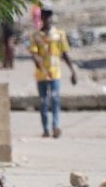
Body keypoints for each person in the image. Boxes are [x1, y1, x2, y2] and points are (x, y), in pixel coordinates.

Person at [29, 8, 78, 139]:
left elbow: (65, 53)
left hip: (55, 72)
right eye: (45, 17)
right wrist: (36, 59)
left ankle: (55, 126)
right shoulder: (36, 36)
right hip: (41, 74)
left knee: (55, 99)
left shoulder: (59, 34)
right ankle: (45, 129)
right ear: (42, 19)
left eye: (49, 17)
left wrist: (72, 71)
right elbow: (33, 53)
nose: (47, 19)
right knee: (43, 101)